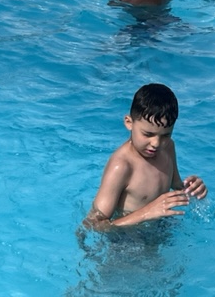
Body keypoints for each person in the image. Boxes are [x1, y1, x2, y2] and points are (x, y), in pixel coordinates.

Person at [83, 83, 208, 231]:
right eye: (148, 134)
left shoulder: (168, 147)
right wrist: (147, 213)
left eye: (165, 135)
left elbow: (177, 187)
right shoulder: (122, 166)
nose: (156, 144)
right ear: (129, 123)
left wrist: (193, 189)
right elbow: (93, 224)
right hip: (126, 237)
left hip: (161, 228)